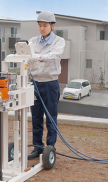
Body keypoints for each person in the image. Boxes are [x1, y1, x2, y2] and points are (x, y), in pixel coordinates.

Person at [27, 11, 65, 159]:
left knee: (50, 118)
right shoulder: (33, 41)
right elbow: (27, 54)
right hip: (35, 83)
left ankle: (50, 148)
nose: (42, 28)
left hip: (50, 83)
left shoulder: (59, 41)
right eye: (40, 25)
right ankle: (37, 148)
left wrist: (40, 57)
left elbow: (55, 55)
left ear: (52, 25)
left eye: (45, 25)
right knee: (36, 118)